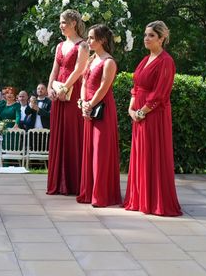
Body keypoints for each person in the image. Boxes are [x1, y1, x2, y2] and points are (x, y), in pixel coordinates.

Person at [124, 21, 182, 217]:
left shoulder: (166, 61)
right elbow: (136, 86)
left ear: (162, 38)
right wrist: (132, 108)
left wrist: (142, 112)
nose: (146, 38)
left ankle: (155, 201)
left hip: (153, 115)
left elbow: (160, 93)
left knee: (153, 154)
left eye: (151, 36)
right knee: (141, 154)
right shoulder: (145, 59)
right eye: (145, 35)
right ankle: (141, 199)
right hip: (139, 113)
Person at [76, 24, 121, 207]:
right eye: (88, 38)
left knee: (100, 153)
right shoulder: (91, 59)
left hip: (102, 110)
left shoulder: (109, 62)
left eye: (92, 38)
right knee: (89, 152)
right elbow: (84, 84)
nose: (88, 41)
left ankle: (102, 195)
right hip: (88, 109)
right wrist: (82, 103)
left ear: (102, 40)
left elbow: (104, 87)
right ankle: (89, 192)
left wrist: (90, 105)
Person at [47, 9, 89, 195]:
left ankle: (74, 182)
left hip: (73, 92)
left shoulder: (83, 45)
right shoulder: (59, 46)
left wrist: (64, 88)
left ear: (73, 23)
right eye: (60, 22)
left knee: (73, 132)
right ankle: (58, 181)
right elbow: (55, 69)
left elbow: (80, 69)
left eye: (64, 22)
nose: (61, 25)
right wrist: (50, 88)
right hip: (58, 92)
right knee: (59, 133)